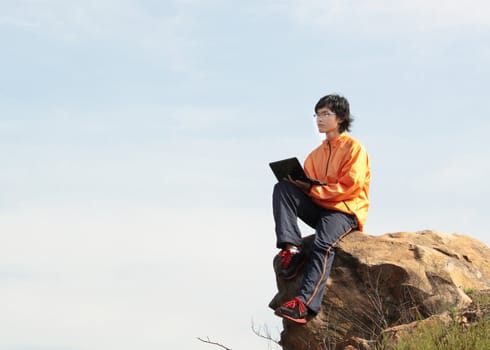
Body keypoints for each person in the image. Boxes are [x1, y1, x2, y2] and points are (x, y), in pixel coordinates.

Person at [272, 93, 371, 324]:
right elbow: (310, 186)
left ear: (341, 118)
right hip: (320, 206)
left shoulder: (354, 149)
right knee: (283, 188)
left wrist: (313, 190)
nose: (319, 119)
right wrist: (301, 185)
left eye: (325, 114)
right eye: (317, 114)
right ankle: (292, 249)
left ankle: (305, 304)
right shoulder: (314, 156)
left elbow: (350, 187)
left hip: (344, 210)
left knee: (322, 245)